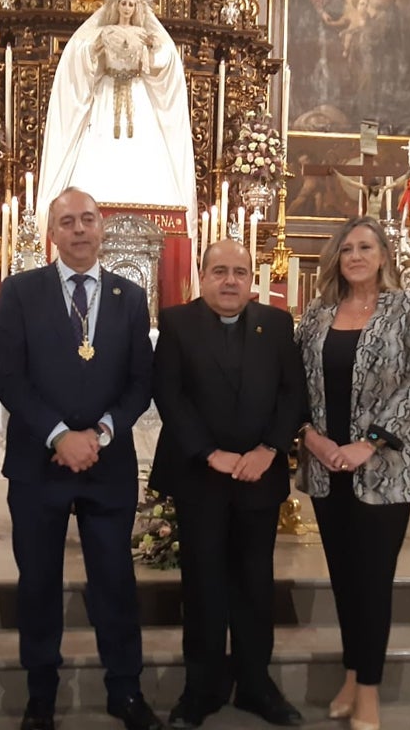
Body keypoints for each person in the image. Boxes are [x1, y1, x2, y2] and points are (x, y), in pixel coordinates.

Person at [0, 187, 162, 730]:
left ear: (101, 226)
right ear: (53, 231)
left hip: (106, 466)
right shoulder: (20, 292)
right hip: (38, 465)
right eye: (67, 221)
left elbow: (141, 382)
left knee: (115, 582)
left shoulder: (129, 296)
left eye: (88, 219)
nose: (80, 230)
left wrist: (104, 432)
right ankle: (40, 695)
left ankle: (125, 690)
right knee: (38, 584)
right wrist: (61, 435)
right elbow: (10, 380)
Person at [150, 240, 307, 729]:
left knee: (256, 584)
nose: (231, 280)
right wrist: (209, 452)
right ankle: (202, 686)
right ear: (202, 275)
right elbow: (168, 393)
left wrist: (269, 450)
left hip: (259, 476)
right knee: (202, 584)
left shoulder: (277, 324)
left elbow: (293, 393)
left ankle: (256, 684)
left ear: (252, 278)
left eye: (240, 272)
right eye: (220, 271)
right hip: (201, 476)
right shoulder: (177, 323)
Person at [294, 216, 410, 730]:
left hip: (386, 470)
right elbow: (296, 384)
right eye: (347, 248)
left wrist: (368, 444)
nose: (356, 255)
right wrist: (311, 437)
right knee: (343, 579)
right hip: (326, 467)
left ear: (383, 256)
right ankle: (352, 674)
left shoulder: (408, 309)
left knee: (373, 581)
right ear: (337, 257)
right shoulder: (316, 315)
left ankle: (369, 692)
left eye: (366, 247)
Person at [35, 0, 195, 233]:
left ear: (138, 7)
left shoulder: (146, 35)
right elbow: (84, 59)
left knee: (144, 160)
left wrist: (154, 50)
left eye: (132, 4)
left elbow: (163, 61)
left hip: (138, 99)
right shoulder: (102, 33)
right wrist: (93, 50)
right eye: (122, 3)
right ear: (115, 4)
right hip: (106, 101)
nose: (127, 9)